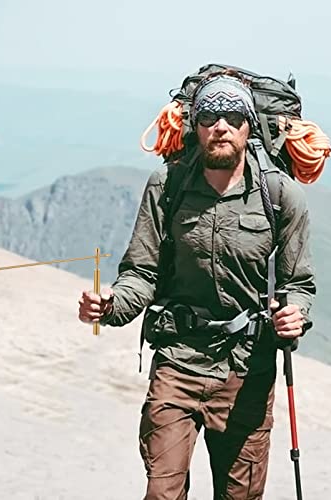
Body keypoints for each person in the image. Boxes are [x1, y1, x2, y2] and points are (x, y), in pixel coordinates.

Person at [78, 71, 316, 500]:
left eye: (232, 116)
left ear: (249, 126)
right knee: (162, 493)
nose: (219, 126)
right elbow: (141, 273)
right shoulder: (167, 187)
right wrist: (111, 305)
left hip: (246, 371)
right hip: (178, 362)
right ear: (196, 126)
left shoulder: (279, 195)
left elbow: (299, 283)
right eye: (209, 116)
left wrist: (296, 315)